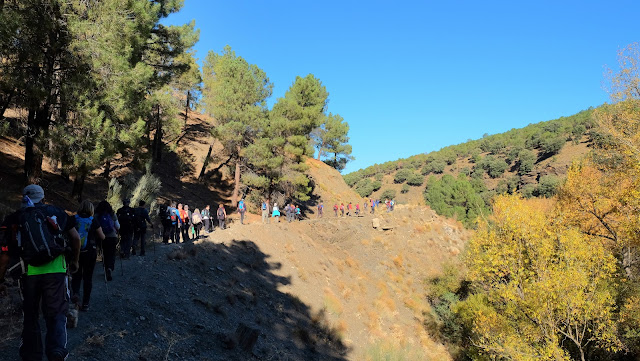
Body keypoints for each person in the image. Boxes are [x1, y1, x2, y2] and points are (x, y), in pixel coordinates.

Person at [0, 184, 81, 361]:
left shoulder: (14, 218)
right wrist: (74, 261)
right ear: (43, 198)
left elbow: (5, 254)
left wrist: (0, 279)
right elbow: (75, 238)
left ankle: (32, 354)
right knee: (56, 312)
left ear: (24, 198)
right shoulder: (57, 212)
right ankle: (57, 351)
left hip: (27, 273)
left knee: (31, 315)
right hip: (56, 271)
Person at [72, 200, 105, 312]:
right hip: (90, 252)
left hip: (75, 251)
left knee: (76, 274)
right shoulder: (93, 220)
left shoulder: (73, 219)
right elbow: (102, 236)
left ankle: (75, 295)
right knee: (88, 277)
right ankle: (85, 303)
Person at [96, 200, 119, 281]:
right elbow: (118, 226)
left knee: (104, 253)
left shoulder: (97, 215)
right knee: (112, 253)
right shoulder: (112, 214)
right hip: (112, 236)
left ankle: (106, 268)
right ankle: (110, 267)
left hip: (101, 237)